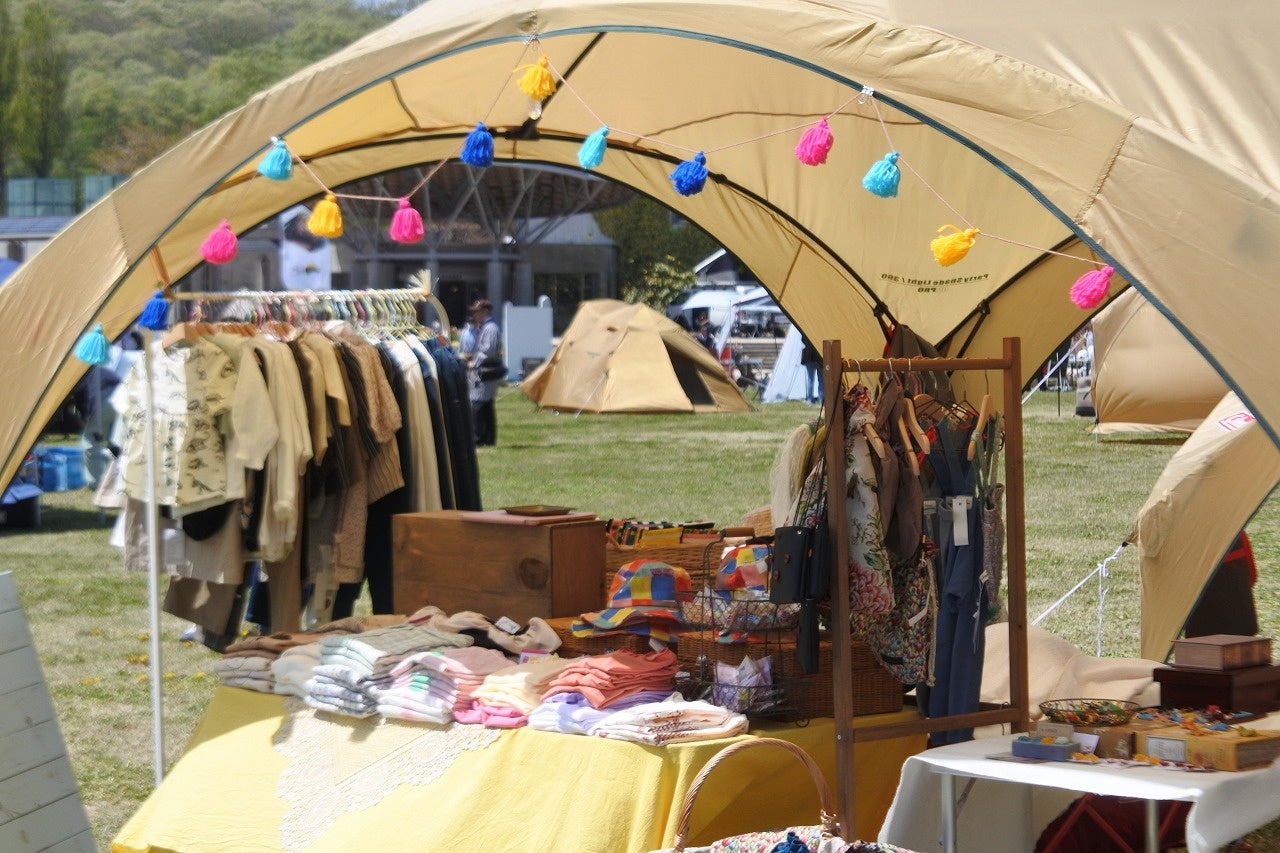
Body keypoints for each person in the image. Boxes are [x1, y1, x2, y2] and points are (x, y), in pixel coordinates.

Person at [467, 298, 502, 447]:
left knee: (478, 404)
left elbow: (488, 350)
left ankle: (478, 438)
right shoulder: (485, 327)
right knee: (486, 405)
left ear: (485, 311)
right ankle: (488, 438)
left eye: (477, 312)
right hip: (483, 370)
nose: (475, 315)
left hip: (485, 371)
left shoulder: (490, 328)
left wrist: (473, 362)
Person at [800, 338, 823, 404]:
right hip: (818, 358)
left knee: (811, 380)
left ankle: (810, 400)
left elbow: (803, 340)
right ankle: (821, 400)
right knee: (821, 380)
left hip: (810, 357)